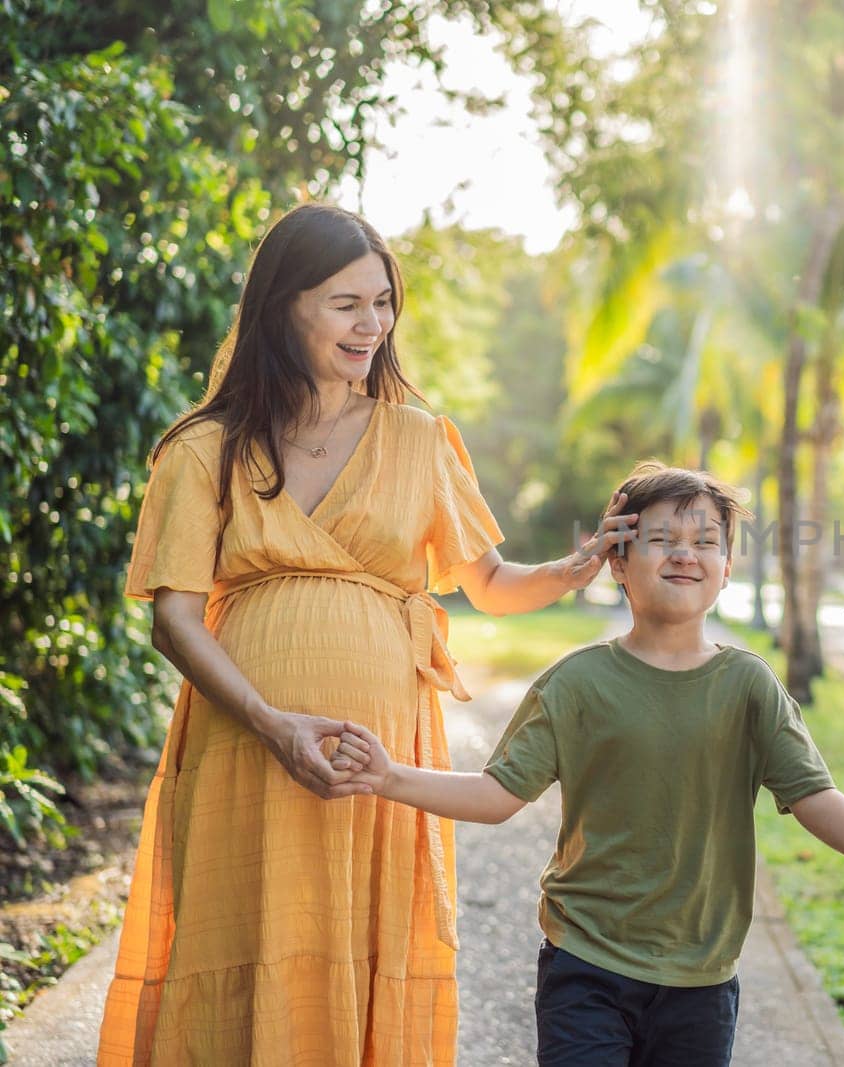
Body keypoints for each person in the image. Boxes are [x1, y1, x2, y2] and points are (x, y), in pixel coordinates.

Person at [98, 203, 637, 1066]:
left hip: (374, 759)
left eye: (383, 302)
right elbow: (174, 617)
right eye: (346, 302)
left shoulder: (418, 438)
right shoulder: (203, 448)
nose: (373, 324)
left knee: (366, 950)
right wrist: (275, 723)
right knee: (244, 945)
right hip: (245, 746)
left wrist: (569, 571)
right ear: (283, 306)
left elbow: (487, 585)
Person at [333, 463, 844, 1067]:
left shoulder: (749, 685)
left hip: (700, 979)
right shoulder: (576, 683)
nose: (685, 555)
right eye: (661, 540)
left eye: (705, 542)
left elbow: (815, 797)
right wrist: (389, 775)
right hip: (586, 963)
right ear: (617, 562)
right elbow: (497, 795)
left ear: (726, 569)